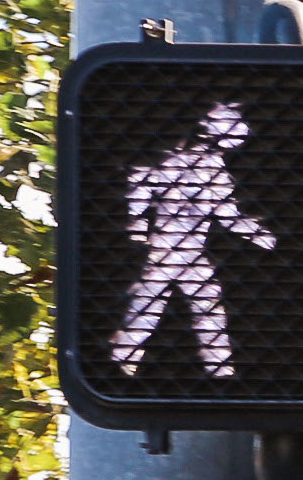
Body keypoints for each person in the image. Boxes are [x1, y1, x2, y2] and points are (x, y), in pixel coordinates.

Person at [114, 99, 270, 376]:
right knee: (151, 305)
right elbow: (142, 182)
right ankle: (123, 358)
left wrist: (256, 233)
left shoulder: (215, 169)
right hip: (167, 248)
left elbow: (225, 212)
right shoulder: (175, 159)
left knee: (199, 303)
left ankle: (218, 368)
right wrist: (136, 220)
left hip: (191, 252)